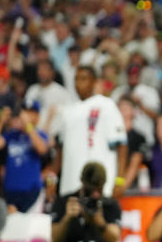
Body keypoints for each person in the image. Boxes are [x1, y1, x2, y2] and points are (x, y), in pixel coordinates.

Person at [53, 65, 127, 198]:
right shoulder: (67, 111)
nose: (78, 83)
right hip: (70, 184)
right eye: (76, 79)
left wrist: (120, 179)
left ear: (94, 81)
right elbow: (60, 150)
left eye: (83, 79)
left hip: (100, 185)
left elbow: (121, 144)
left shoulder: (106, 105)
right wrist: (53, 179)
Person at [0, 101, 49, 212]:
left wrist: (28, 125)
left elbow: (41, 149)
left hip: (32, 191)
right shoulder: (11, 135)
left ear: (36, 116)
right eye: (22, 113)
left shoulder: (40, 134)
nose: (22, 117)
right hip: (11, 191)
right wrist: (1, 122)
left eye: (28, 113)